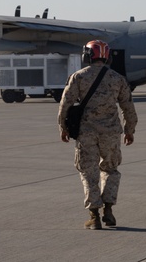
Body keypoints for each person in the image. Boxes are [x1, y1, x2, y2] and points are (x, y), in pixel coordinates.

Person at [58, 40, 138, 229]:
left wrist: (63, 127)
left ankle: (94, 216)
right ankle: (108, 211)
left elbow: (65, 104)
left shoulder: (78, 77)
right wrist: (129, 130)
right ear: (107, 56)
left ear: (87, 56)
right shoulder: (118, 79)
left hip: (87, 133)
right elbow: (128, 107)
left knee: (88, 172)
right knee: (110, 170)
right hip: (111, 133)